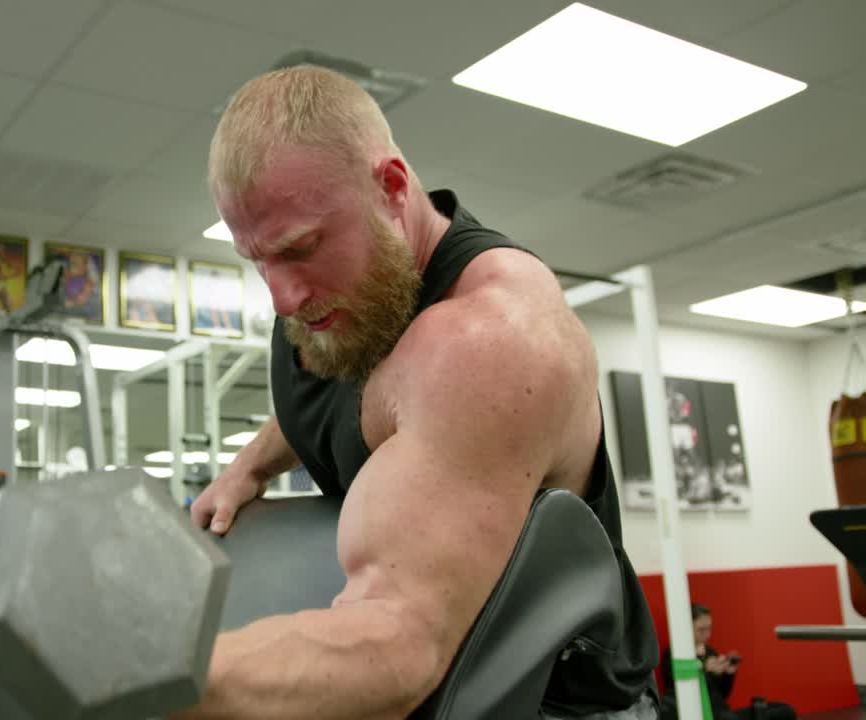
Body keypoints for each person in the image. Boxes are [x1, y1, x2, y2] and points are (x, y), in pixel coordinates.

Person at [178, 66, 659, 718]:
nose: (281, 295)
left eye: (299, 248)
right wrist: (248, 467)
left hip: (549, 702)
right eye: (258, 259)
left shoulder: (489, 342)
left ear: (392, 189)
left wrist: (146, 684)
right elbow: (330, 407)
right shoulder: (338, 300)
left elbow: (403, 646)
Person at [659, 604, 796, 720]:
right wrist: (705, 670)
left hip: (726, 713)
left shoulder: (710, 651)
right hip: (708, 715)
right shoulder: (675, 654)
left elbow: (722, 694)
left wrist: (728, 674)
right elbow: (682, 692)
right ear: (687, 628)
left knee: (785, 710)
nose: (707, 635)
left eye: (709, 628)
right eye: (701, 630)